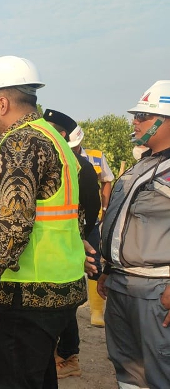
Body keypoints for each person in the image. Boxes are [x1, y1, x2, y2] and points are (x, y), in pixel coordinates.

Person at [0, 56, 87, 389]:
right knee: (38, 375)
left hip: (27, 290)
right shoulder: (52, 136)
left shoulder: (20, 142)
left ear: (2, 103)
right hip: (60, 283)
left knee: (15, 379)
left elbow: (15, 218)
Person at [98, 80, 170, 389]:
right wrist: (107, 270)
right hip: (121, 283)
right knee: (127, 370)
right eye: (136, 114)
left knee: (159, 371)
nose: (135, 121)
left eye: (144, 115)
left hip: (156, 290)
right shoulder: (143, 165)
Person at [43, 109, 102, 379]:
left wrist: (78, 240)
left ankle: (68, 355)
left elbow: (91, 208)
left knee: (65, 300)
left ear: (62, 135)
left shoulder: (80, 166)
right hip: (53, 246)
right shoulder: (51, 161)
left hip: (73, 244)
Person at [66, 124, 115, 327]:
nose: (74, 150)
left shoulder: (96, 157)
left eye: (76, 146)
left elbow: (107, 180)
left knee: (94, 260)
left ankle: (96, 311)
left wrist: (104, 206)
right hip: (68, 220)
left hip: (91, 220)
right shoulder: (60, 155)